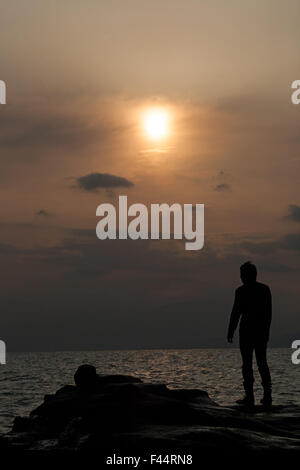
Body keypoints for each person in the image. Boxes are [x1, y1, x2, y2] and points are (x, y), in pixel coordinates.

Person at [227, 262, 272, 407]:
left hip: (249, 332)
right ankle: (265, 396)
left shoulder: (242, 291)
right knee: (260, 363)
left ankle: (252, 397)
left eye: (242, 274)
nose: (241, 277)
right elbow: (268, 315)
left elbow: (236, 313)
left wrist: (231, 330)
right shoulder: (264, 290)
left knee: (250, 364)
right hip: (258, 332)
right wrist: (266, 331)